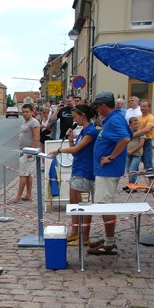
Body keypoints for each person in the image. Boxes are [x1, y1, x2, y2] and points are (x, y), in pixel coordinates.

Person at [87, 91, 131, 256]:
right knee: (105, 205)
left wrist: (111, 157)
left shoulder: (115, 120)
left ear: (103, 106)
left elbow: (125, 138)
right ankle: (107, 239)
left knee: (106, 206)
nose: (97, 110)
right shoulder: (115, 118)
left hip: (108, 170)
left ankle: (109, 242)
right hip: (105, 170)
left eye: (98, 107)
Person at [48, 104, 99, 245]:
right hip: (77, 169)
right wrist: (70, 138)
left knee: (84, 205)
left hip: (85, 171)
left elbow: (76, 149)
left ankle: (84, 237)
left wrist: (59, 150)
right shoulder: (84, 131)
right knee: (73, 203)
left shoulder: (91, 132)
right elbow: (74, 149)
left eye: (76, 116)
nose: (75, 119)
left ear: (83, 116)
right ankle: (75, 232)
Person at [9, 103, 40, 203]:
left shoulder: (34, 122)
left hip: (28, 151)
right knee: (28, 174)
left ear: (32, 111)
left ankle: (18, 196)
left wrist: (32, 150)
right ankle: (28, 194)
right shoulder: (24, 122)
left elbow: (36, 137)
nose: (25, 114)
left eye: (27, 112)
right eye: (23, 112)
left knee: (23, 174)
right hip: (23, 150)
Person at [132, 99, 154, 173]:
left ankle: (151, 183)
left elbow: (146, 130)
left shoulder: (151, 118)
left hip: (146, 142)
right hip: (136, 141)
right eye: (141, 106)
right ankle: (133, 183)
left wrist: (133, 135)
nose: (142, 108)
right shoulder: (138, 117)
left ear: (149, 107)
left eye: (144, 106)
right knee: (134, 164)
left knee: (148, 164)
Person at [124, 117, 145, 187]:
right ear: (130, 125)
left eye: (137, 124)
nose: (136, 125)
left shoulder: (141, 132)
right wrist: (126, 150)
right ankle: (131, 185)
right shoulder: (127, 132)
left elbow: (141, 143)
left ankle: (134, 185)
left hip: (136, 154)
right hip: (128, 154)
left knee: (132, 170)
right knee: (128, 170)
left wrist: (132, 151)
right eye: (134, 124)